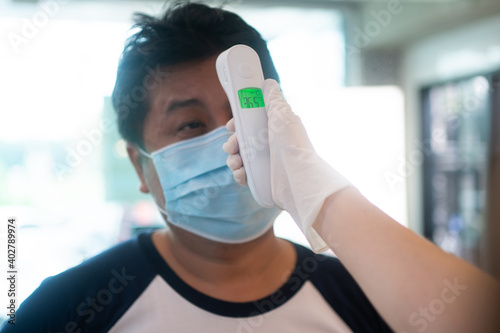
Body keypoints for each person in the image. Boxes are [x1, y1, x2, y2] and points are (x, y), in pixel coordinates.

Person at [2, 2, 499, 333]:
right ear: (140, 165)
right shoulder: (70, 308)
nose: (229, 141)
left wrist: (321, 197)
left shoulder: (370, 296)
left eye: (244, 114)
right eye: (191, 126)